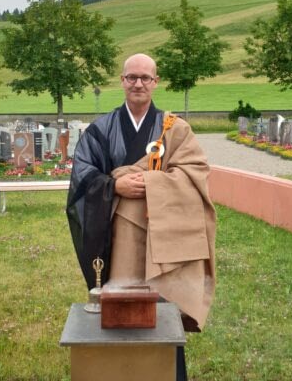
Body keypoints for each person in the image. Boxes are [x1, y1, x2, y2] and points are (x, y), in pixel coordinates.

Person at [66, 53, 216, 381]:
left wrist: (150, 182)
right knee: (121, 308)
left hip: (163, 239)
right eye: (131, 77)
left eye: (145, 78)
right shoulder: (100, 130)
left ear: (155, 82)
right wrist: (114, 184)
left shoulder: (175, 129)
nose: (138, 83)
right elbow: (82, 174)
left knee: (161, 312)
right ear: (121, 81)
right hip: (119, 239)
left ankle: (164, 372)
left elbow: (196, 173)